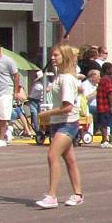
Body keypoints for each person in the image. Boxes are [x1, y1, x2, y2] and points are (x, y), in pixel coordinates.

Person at [35, 45, 84, 209]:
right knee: (69, 159)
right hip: (58, 123)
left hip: (67, 123)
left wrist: (46, 114)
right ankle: (78, 194)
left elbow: (68, 107)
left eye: (56, 55)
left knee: (52, 155)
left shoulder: (67, 79)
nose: (53, 58)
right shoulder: (59, 76)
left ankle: (52, 196)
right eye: (52, 55)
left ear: (65, 57)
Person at [96, 63, 112, 148]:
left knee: (103, 124)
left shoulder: (102, 79)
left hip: (100, 105)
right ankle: (105, 141)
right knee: (105, 124)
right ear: (107, 70)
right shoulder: (107, 80)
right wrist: (111, 105)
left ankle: (104, 140)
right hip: (105, 105)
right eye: (111, 69)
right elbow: (109, 93)